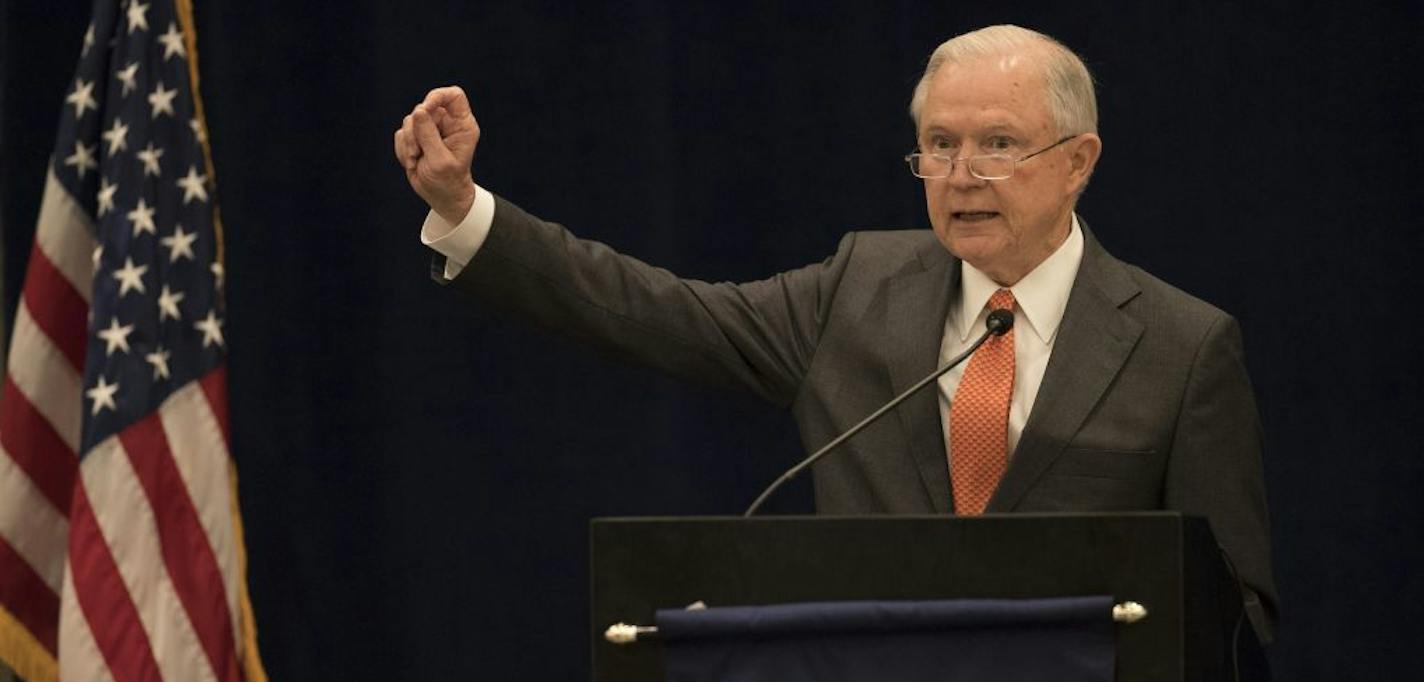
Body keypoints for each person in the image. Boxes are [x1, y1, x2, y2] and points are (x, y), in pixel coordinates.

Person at [393, 24, 1276, 640]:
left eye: (998, 145)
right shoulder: (857, 292)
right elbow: (656, 311)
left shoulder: (1179, 346)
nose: (961, 175)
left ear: (1077, 162)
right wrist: (468, 213)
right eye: (939, 144)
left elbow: (1236, 607)